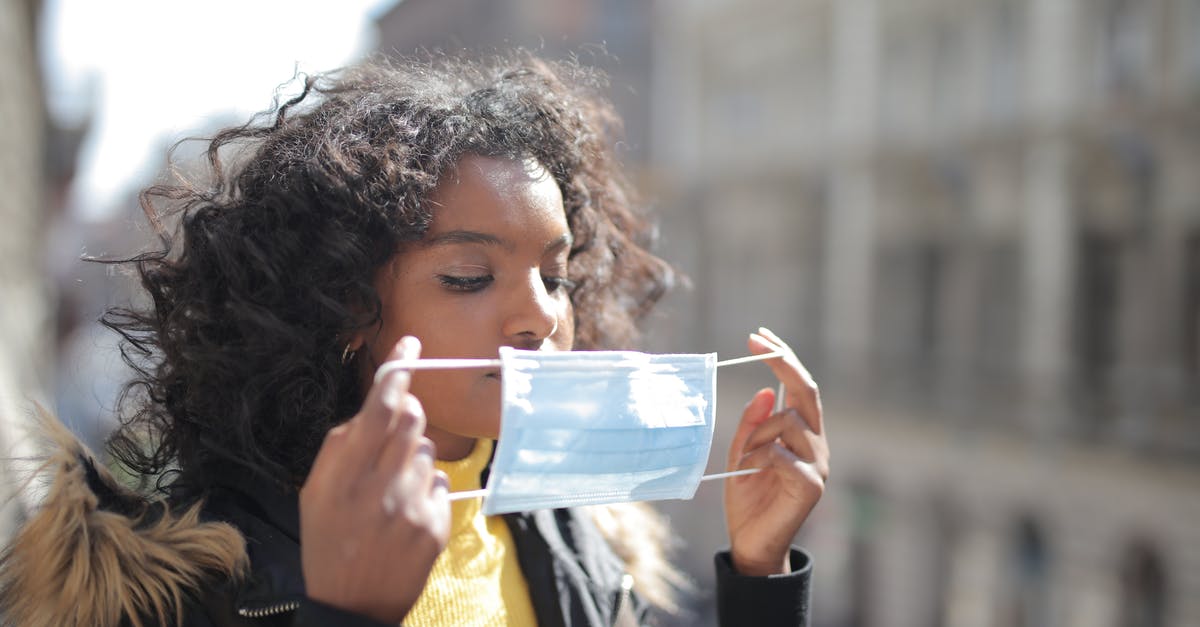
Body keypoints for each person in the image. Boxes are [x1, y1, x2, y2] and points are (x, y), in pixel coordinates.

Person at [0, 51, 829, 626]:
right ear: (340, 306)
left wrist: (759, 575)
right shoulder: (180, 579)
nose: (539, 314)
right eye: (470, 276)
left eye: (557, 273)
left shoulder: (583, 535)